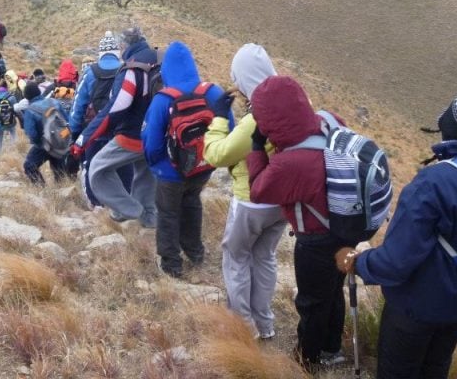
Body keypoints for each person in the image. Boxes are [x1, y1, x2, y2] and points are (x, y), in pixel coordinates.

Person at [335, 85, 457, 379]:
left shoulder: (434, 182)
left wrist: (359, 262)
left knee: (399, 371)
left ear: (454, 125)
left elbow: (395, 263)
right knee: (436, 365)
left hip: (416, 310)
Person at [246, 75, 347, 371]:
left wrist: (256, 146)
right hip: (346, 222)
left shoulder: (291, 163)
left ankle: (305, 361)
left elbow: (259, 189)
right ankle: (332, 348)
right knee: (333, 289)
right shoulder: (330, 120)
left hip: (316, 239)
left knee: (312, 303)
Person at [204, 43, 287, 338]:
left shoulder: (255, 119)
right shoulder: (289, 104)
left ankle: (243, 326)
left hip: (251, 198)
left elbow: (217, 155)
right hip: (281, 200)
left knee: (237, 256)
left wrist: (217, 118)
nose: (236, 86)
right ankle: (265, 324)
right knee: (264, 256)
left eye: (238, 79)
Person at [143, 40, 233, 278]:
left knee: (168, 213)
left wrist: (159, 167)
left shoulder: (164, 99)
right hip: (203, 166)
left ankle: (171, 264)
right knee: (192, 202)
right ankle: (196, 253)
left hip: (170, 171)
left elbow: (152, 143)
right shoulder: (212, 92)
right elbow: (230, 127)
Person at [70, 26, 158, 227]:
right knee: (143, 174)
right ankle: (150, 221)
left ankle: (127, 209)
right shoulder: (160, 59)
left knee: (97, 169)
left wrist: (82, 136)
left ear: (124, 45)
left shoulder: (129, 68)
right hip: (158, 133)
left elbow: (116, 108)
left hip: (130, 135)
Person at [69, 31, 132, 208]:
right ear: (117, 52)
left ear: (100, 53)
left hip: (95, 131)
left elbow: (77, 106)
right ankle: (125, 208)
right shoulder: (127, 70)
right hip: (122, 132)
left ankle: (97, 207)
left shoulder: (90, 73)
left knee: (92, 168)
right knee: (125, 168)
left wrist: (75, 133)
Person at [22, 81, 69, 184]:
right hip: (61, 142)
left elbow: (32, 134)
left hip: (43, 145)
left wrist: (41, 143)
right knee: (59, 171)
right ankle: (63, 192)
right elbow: (67, 120)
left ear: (26, 97)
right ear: (39, 92)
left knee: (29, 165)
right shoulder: (54, 102)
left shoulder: (30, 110)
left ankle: (42, 189)